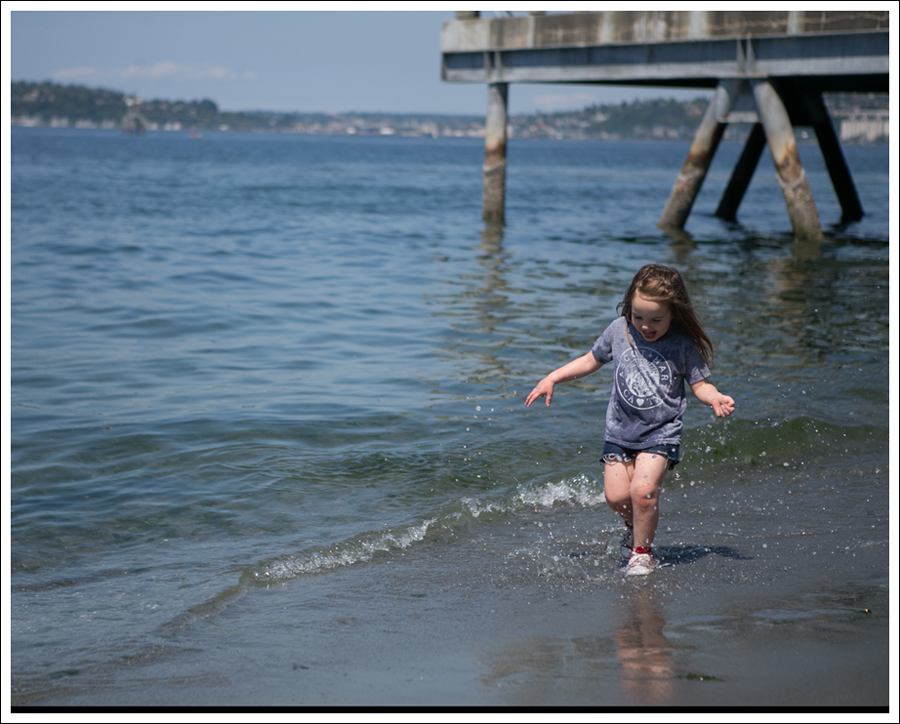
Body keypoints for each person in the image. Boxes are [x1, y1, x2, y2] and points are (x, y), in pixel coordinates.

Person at [525, 264, 735, 576]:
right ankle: (635, 529)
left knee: (643, 493)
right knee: (616, 497)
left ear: (673, 314)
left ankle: (641, 552)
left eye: (655, 320)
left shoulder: (681, 344)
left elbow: (700, 385)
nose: (645, 326)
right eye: (638, 317)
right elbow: (589, 360)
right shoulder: (618, 331)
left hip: (661, 432)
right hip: (620, 431)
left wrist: (715, 397)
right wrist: (553, 378)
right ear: (629, 307)